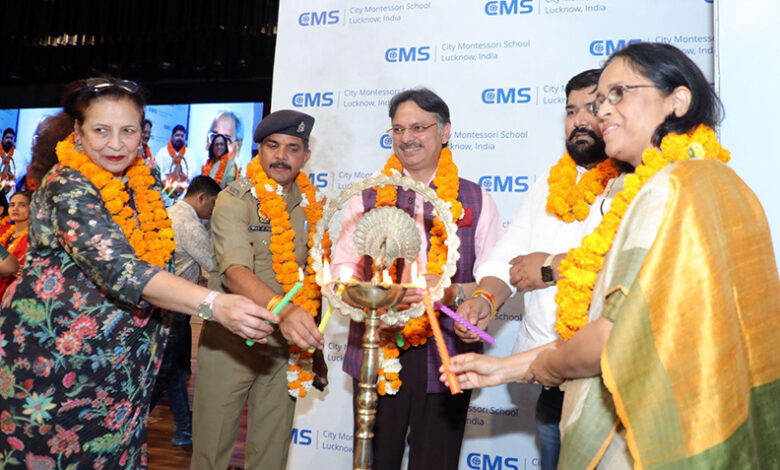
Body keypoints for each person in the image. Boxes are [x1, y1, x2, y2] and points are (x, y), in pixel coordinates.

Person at [446, 43, 779, 469]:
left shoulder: (669, 190)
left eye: (618, 94)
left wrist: (537, 365)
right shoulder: (710, 180)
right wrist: (506, 367)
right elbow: (628, 321)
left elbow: (614, 336)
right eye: (598, 100)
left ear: (677, 100)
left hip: (663, 429)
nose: (601, 111)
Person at [0, 77, 277, 469]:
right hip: (59, 369)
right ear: (77, 132)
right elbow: (119, 268)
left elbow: (156, 257)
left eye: (128, 131)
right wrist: (216, 304)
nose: (116, 144)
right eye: (101, 130)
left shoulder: (139, 184)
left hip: (123, 373)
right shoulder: (67, 183)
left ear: (143, 133)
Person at [454, 69, 624, 470]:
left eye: (591, 107)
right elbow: (508, 255)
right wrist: (485, 299)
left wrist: (550, 268)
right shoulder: (551, 182)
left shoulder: (636, 180)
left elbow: (622, 265)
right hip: (549, 378)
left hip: (607, 380)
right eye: (571, 111)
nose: (579, 120)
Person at [331, 88, 503, 470]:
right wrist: (368, 296)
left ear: (444, 132)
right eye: (398, 129)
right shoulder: (368, 197)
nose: (407, 137)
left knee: (436, 462)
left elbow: (494, 277)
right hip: (380, 347)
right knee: (375, 460)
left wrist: (455, 293)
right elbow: (342, 269)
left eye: (418, 127)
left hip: (448, 352)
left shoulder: (475, 198)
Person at [192, 109, 328, 470]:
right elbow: (236, 273)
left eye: (292, 148)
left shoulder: (312, 205)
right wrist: (286, 312)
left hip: (284, 349)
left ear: (305, 156)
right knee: (211, 453)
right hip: (230, 343)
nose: (281, 156)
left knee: (271, 453)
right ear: (259, 151)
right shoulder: (234, 199)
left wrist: (313, 347)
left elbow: (313, 279)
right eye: (272, 145)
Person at [149, 175, 222, 447]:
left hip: (166, 304)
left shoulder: (170, 213)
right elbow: (214, 266)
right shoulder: (190, 224)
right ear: (202, 197)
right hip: (174, 306)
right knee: (165, 372)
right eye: (212, 203)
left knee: (177, 370)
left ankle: (183, 428)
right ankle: (131, 421)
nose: (213, 211)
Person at [0, 191, 31, 297]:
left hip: (19, 293)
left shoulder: (34, 237)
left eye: (22, 205)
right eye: (12, 205)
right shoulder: (7, 235)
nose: (15, 209)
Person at [157, 124, 190, 201]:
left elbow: (192, 172)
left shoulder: (189, 154)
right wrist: (167, 183)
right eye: (177, 135)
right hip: (165, 192)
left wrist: (184, 178)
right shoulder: (162, 152)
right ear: (172, 136)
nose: (180, 138)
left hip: (182, 194)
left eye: (182, 136)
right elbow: (158, 171)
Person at [0, 129, 16, 194]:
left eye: (11, 138)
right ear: (3, 138)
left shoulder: (17, 154)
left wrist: (9, 175)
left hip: (9, 191)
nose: (9, 140)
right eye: (7, 137)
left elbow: (17, 173)